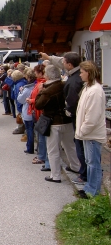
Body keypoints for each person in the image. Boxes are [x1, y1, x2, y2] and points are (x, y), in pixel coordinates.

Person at [40, 52, 86, 185]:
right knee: (70, 146)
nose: (63, 64)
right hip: (67, 122)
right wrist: (49, 58)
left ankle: (55, 175)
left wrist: (68, 112)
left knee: (54, 149)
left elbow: (39, 104)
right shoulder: (65, 81)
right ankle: (75, 166)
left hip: (55, 122)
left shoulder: (53, 87)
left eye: (65, 62)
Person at [75, 61, 106, 198]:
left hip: (91, 134)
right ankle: (89, 187)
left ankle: (93, 191)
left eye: (82, 72)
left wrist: (82, 130)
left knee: (93, 163)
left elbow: (92, 117)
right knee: (89, 162)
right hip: (88, 133)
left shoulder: (95, 91)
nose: (80, 75)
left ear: (89, 73)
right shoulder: (88, 87)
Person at [27, 64, 50, 169]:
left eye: (36, 72)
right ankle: (41, 156)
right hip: (37, 111)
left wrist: (31, 100)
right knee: (40, 136)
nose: (35, 74)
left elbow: (39, 99)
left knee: (42, 137)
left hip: (40, 112)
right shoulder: (39, 83)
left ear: (41, 73)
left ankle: (42, 157)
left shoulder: (42, 84)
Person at [17, 68, 36, 154]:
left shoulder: (27, 88)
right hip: (35, 111)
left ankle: (30, 148)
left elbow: (20, 100)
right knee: (34, 130)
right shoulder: (37, 85)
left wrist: (20, 92)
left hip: (29, 112)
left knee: (29, 130)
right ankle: (37, 148)